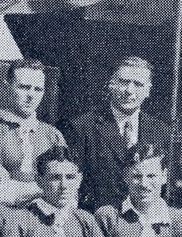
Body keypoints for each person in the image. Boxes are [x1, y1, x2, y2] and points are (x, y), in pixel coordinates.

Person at [64, 56, 172, 212]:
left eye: (138, 84)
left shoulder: (161, 131)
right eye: (123, 82)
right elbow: (71, 184)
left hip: (141, 225)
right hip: (96, 222)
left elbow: (164, 187)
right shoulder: (82, 127)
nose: (129, 90)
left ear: (148, 90)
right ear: (111, 84)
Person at [0, 58, 67, 206]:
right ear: (8, 87)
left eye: (38, 89)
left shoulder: (53, 136)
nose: (31, 95)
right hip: (5, 215)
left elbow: (66, 188)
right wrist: (47, 191)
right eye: (24, 87)